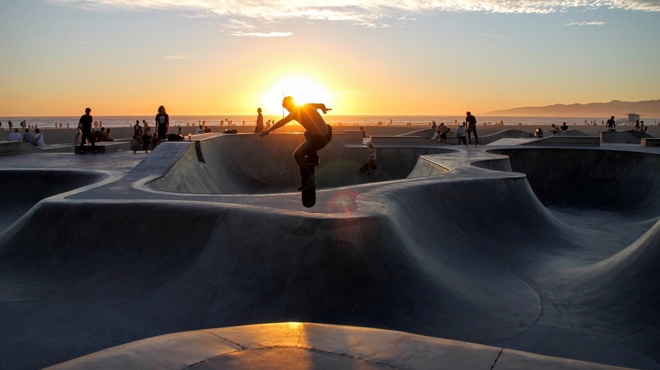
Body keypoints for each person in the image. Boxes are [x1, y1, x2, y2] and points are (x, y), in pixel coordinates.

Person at [260, 96, 332, 190]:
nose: (288, 110)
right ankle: (313, 157)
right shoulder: (307, 106)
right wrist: (324, 109)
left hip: (319, 140)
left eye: (287, 108)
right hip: (328, 133)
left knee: (297, 155)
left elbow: (282, 122)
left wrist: (268, 131)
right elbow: (321, 105)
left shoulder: (294, 113)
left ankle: (308, 180)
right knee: (306, 133)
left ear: (291, 105)